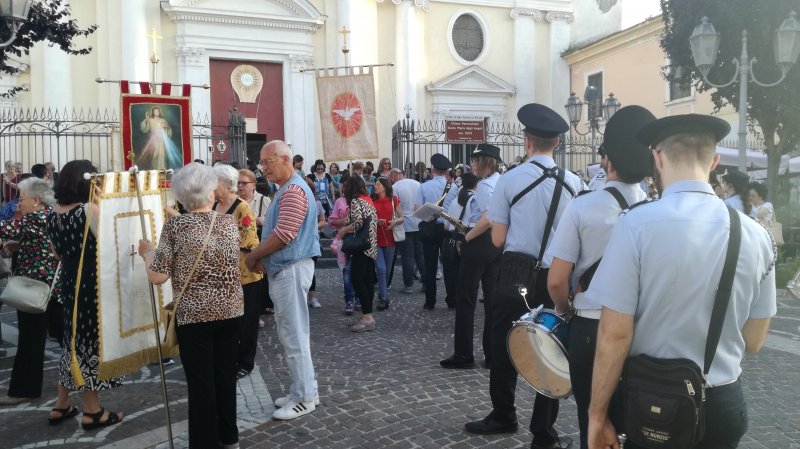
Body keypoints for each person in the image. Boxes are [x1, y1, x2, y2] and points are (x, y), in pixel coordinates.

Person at [586, 113, 776, 449]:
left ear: (657, 157)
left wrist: (597, 415)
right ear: (714, 161)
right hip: (721, 402)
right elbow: (754, 340)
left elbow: (614, 334)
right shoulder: (757, 235)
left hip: (654, 401)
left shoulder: (636, 225)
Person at [466, 104, 580, 449]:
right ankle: (544, 433)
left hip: (514, 271)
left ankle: (503, 413)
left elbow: (498, 239)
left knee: (503, 344)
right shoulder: (575, 183)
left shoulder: (510, 179)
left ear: (526, 141)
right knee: (550, 350)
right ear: (557, 143)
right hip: (555, 273)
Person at [545, 106, 654, 449]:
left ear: (606, 159)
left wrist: (565, 312)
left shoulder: (582, 206)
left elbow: (556, 281)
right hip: (640, 330)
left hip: (591, 327)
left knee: (592, 420)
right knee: (636, 422)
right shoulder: (656, 209)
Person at [140, 162, 243, 449]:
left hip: (195, 316)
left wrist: (146, 252)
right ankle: (229, 437)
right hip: (230, 311)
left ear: (182, 197)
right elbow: (201, 231)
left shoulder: (175, 227)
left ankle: (204, 443)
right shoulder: (227, 222)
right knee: (224, 377)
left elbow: (157, 276)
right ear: (211, 192)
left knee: (201, 385)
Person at [245, 140, 320, 420]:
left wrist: (254, 257)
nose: (264, 168)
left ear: (286, 159)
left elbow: (284, 234)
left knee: (294, 336)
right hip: (288, 268)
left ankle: (304, 397)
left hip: (291, 268)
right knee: (292, 334)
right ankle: (302, 389)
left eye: (268, 161)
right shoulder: (288, 189)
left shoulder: (293, 191)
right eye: (262, 163)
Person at [46, 160, 123, 430]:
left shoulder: (52, 213)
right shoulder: (88, 210)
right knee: (90, 343)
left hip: (68, 280)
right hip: (92, 281)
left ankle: (61, 403)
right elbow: (113, 243)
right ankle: (92, 410)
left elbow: (57, 253)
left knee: (72, 340)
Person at [441, 144, 502, 370]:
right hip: (495, 244)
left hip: (479, 240)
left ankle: (464, 353)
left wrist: (466, 238)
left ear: (487, 162)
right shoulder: (499, 181)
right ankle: (492, 353)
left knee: (465, 299)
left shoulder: (485, 185)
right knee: (492, 301)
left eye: (476, 161)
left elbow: (487, 219)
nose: (472, 165)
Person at [0, 178, 60, 405]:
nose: (19, 202)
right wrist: (20, 244)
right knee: (64, 333)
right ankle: (84, 373)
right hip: (50, 287)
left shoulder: (35, 217)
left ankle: (23, 390)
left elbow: (3, 227)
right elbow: (42, 242)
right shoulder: (48, 215)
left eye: (22, 198)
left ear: (36, 200)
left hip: (35, 290)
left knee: (30, 339)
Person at [212, 164, 263, 380]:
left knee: (247, 322)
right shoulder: (213, 205)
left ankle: (245, 362)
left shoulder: (242, 207)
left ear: (225, 183)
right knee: (228, 322)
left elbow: (249, 241)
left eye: (214, 182)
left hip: (246, 275)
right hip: (222, 276)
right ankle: (229, 357)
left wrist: (215, 243)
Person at [415, 154, 458, 310]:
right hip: (447, 229)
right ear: (447, 171)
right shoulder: (453, 187)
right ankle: (452, 300)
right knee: (449, 266)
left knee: (430, 266)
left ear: (433, 169)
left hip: (430, 228)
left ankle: (430, 301)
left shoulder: (424, 186)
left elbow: (417, 209)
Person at [338, 175, 378, 331]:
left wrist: (343, 230)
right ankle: (368, 314)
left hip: (361, 246)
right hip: (371, 246)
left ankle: (367, 317)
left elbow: (358, 222)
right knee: (367, 280)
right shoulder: (368, 200)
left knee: (357, 279)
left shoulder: (356, 201)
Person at [239, 168, 274, 319]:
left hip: (258, 241)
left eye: (244, 183)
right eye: (238, 183)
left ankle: (262, 306)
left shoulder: (263, 200)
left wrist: (262, 220)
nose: (240, 186)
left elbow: (273, 220)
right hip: (239, 244)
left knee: (259, 277)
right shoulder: (233, 201)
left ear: (253, 185)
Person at [389, 168, 425, 295]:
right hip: (418, 221)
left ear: (394, 176)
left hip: (405, 223)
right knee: (420, 254)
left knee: (407, 255)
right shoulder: (417, 184)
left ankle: (408, 284)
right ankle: (426, 282)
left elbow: (394, 207)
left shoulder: (395, 187)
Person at [328, 176, 360, 315]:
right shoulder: (339, 202)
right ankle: (349, 301)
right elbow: (331, 221)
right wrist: (345, 222)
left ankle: (359, 298)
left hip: (359, 240)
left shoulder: (361, 201)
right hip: (344, 240)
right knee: (347, 271)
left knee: (359, 271)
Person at [371, 177, 403, 311]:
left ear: (384, 186)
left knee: (387, 270)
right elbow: (369, 217)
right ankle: (383, 297)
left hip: (390, 239)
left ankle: (382, 293)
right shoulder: (372, 200)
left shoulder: (394, 200)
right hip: (376, 239)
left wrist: (394, 222)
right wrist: (376, 221)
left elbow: (402, 217)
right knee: (382, 269)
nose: (375, 186)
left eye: (377, 184)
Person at [304, 177, 326, 309]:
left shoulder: (317, 203)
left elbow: (323, 221)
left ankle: (311, 297)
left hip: (312, 241)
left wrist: (315, 226)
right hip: (297, 243)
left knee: (310, 271)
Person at [138, 106, 183, 170]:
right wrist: (146, 119)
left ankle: (162, 170)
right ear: (153, 112)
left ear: (159, 112)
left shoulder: (163, 120)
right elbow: (145, 129)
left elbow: (168, 130)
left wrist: (166, 128)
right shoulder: (150, 120)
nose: (156, 113)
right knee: (155, 155)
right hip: (153, 140)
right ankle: (154, 170)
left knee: (162, 156)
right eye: (155, 111)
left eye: (157, 111)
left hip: (162, 140)